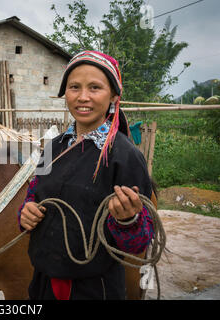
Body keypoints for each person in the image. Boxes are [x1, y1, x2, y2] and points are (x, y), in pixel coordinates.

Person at [18, 51, 155, 300]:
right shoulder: (53, 147)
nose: (83, 97)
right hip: (42, 283)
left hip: (95, 289)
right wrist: (26, 213)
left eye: (95, 87)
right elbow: (33, 195)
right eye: (74, 87)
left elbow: (139, 242)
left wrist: (127, 220)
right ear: (65, 93)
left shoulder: (124, 156)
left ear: (113, 96)